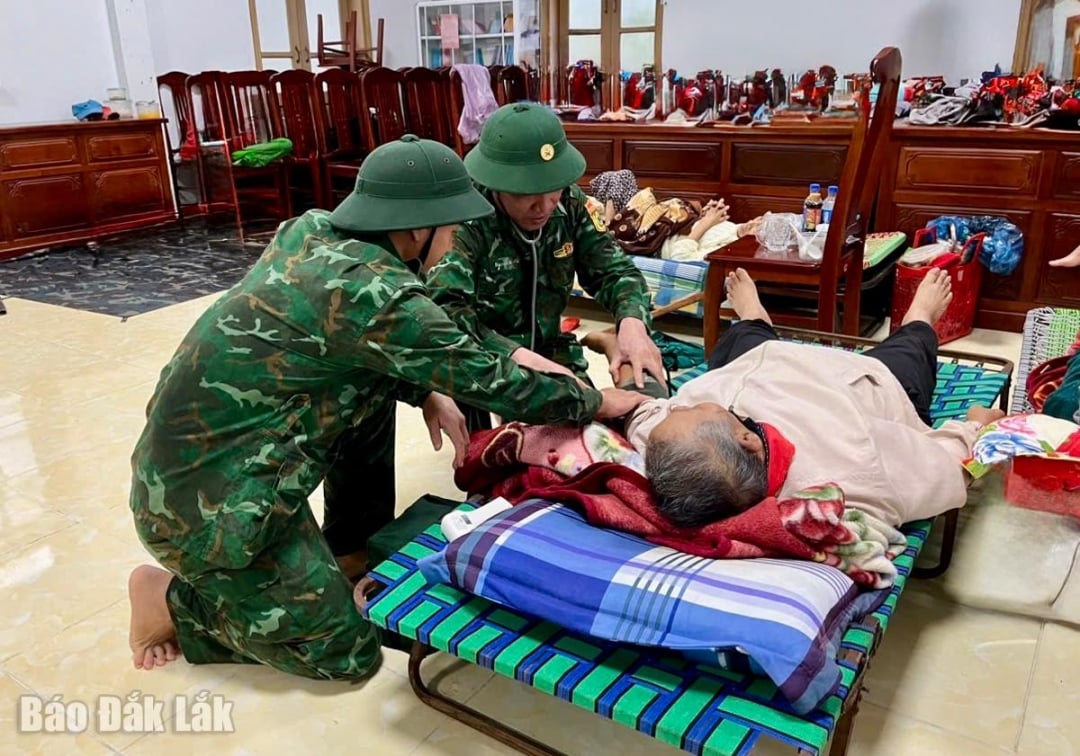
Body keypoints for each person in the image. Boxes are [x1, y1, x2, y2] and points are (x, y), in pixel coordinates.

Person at [127, 135, 647, 679]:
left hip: (211, 460)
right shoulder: (374, 293)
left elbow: (343, 347)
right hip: (206, 508)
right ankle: (167, 600)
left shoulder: (314, 232)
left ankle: (348, 550)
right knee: (346, 654)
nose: (455, 240)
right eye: (452, 228)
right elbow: (493, 379)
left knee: (375, 387)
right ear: (418, 229)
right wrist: (595, 399)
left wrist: (423, 388)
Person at [588, 267, 1006, 528]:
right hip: (860, 386)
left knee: (743, 340)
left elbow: (644, 411)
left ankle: (754, 317)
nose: (687, 403)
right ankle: (919, 317)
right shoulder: (851, 475)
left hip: (757, 363)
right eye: (697, 410)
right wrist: (976, 425)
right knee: (909, 353)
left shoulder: (670, 454)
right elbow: (948, 468)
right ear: (747, 440)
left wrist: (618, 391)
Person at [425, 103, 665, 430]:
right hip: (483, 356)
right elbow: (446, 314)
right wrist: (513, 355)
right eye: (527, 195)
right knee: (486, 457)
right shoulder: (465, 222)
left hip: (551, 347)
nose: (544, 206)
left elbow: (615, 270)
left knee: (585, 437)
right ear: (496, 183)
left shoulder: (569, 201)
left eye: (552, 190)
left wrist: (632, 322)